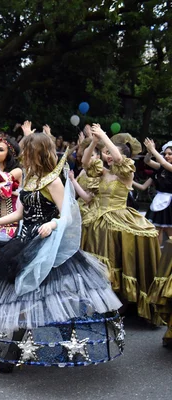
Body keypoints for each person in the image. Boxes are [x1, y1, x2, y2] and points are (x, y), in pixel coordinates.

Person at [0, 131, 123, 372]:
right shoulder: (29, 179)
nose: (23, 157)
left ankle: (36, 351)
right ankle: (14, 352)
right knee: (21, 297)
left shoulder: (53, 181)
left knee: (46, 299)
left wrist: (52, 224)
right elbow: (20, 212)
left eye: (27, 152)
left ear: (37, 153)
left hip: (48, 247)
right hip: (24, 243)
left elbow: (68, 215)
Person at [80, 127, 160, 323]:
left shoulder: (126, 174)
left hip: (118, 220)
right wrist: (94, 142)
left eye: (110, 153)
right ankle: (105, 303)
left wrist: (105, 138)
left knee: (117, 263)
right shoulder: (103, 172)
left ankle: (120, 304)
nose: (107, 156)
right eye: (105, 153)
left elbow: (119, 159)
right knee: (99, 265)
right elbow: (84, 162)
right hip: (97, 222)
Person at [134, 139, 172, 245]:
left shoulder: (168, 166)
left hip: (170, 202)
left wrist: (153, 149)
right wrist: (150, 152)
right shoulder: (160, 168)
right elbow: (147, 161)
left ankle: (169, 258)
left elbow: (163, 163)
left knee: (170, 232)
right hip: (158, 201)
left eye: (170, 154)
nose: (166, 156)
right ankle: (158, 256)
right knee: (156, 231)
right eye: (165, 154)